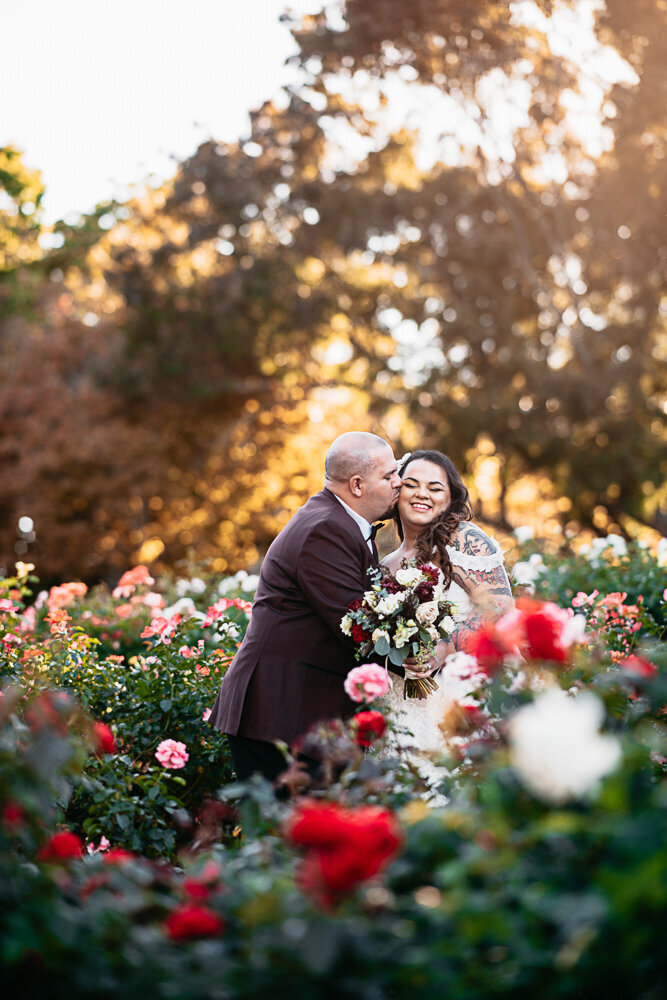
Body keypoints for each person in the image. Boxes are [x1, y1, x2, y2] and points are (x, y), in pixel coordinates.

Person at [209, 431, 402, 782]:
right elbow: (356, 627)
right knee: (285, 833)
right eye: (389, 475)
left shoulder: (339, 522)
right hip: (279, 714)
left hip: (296, 713)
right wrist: (424, 659)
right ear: (357, 485)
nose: (398, 482)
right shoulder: (325, 529)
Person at [381, 449, 514, 780]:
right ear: (397, 492)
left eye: (435, 488)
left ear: (451, 497)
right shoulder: (384, 565)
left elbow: (501, 610)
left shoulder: (464, 539)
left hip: (461, 695)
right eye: (411, 484)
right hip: (402, 706)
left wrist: (446, 648)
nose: (422, 493)